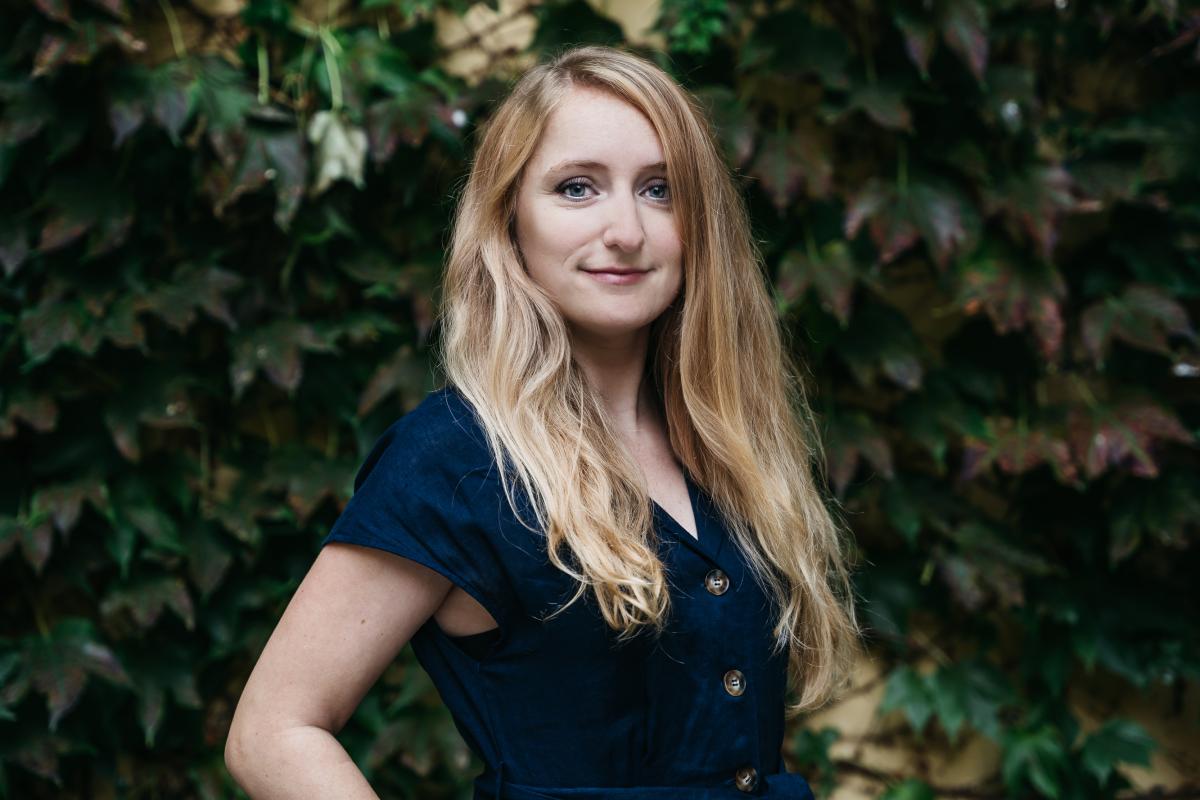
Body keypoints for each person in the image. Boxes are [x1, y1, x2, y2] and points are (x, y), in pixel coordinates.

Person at [224, 44, 862, 799]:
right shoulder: (455, 459)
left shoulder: (726, 443)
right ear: (509, 218)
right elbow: (274, 732)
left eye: (659, 190)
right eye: (578, 187)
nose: (626, 228)